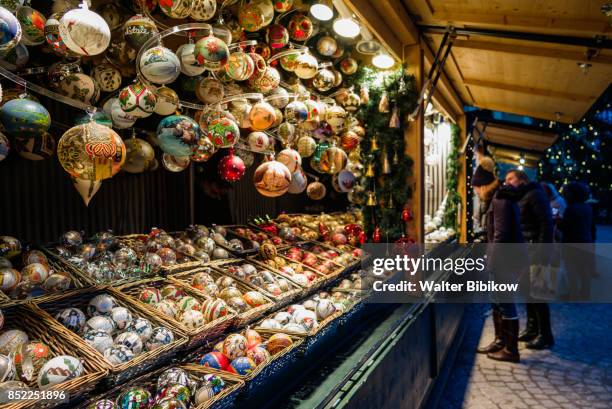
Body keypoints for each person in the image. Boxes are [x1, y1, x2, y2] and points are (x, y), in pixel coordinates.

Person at [474, 156, 523, 362]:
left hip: (504, 259)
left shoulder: (500, 199)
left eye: (477, 188)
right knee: (497, 301)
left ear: (484, 186)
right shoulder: (499, 197)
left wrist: (491, 262)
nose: (476, 192)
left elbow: (501, 235)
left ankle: (511, 350)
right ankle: (500, 340)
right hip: (504, 258)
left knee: (505, 302)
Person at [505, 170, 554, 350]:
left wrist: (542, 252)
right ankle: (532, 329)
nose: (507, 182)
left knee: (538, 294)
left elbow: (546, 223)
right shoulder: (521, 196)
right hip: (525, 251)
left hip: (536, 251)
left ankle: (545, 335)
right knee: (528, 292)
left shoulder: (535, 195)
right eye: (506, 179)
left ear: (522, 179)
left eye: (511, 178)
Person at [559, 182, 595, 300]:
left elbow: (566, 227)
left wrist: (558, 221)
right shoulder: (587, 207)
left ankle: (573, 294)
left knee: (572, 270)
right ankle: (585, 294)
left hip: (572, 243)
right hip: (586, 242)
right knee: (583, 270)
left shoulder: (571, 208)